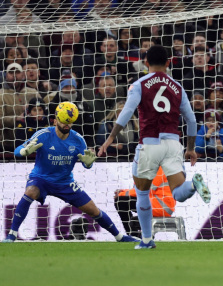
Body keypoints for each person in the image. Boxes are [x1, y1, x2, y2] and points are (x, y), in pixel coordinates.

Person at [97, 45, 211, 250]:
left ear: (146, 63)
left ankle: (147, 240)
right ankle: (194, 185)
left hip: (149, 144)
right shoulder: (178, 87)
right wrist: (191, 148)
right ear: (168, 63)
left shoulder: (139, 84)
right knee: (177, 192)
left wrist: (110, 138)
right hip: (173, 144)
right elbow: (192, 121)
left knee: (142, 193)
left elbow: (126, 113)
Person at [4, 102, 138, 243]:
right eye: (63, 121)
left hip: (65, 182)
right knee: (30, 191)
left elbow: (88, 165)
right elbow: (17, 150)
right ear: (55, 120)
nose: (67, 125)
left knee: (93, 210)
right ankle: (12, 235)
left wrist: (88, 163)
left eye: (70, 122)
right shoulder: (43, 135)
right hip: (41, 179)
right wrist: (24, 151)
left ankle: (119, 237)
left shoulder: (78, 140)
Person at [114, 167, 175, 238]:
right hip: (157, 204)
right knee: (121, 201)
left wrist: (122, 194)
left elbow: (144, 189)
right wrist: (123, 192)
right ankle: (136, 235)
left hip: (161, 206)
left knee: (120, 201)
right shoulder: (152, 168)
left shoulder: (158, 169)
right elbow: (139, 189)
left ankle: (134, 235)